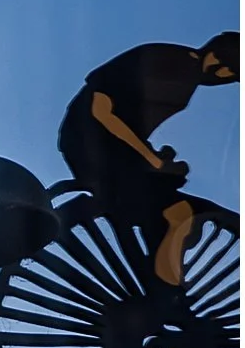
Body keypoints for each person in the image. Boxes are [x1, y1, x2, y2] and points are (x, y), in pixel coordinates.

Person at [58, 34, 239, 287]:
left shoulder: (183, 70)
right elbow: (101, 109)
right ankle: (163, 294)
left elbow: (127, 119)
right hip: (93, 148)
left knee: (181, 209)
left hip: (108, 148)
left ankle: (165, 290)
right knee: (178, 213)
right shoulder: (173, 64)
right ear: (221, 64)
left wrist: (154, 157)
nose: (226, 82)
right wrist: (150, 159)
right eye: (231, 76)